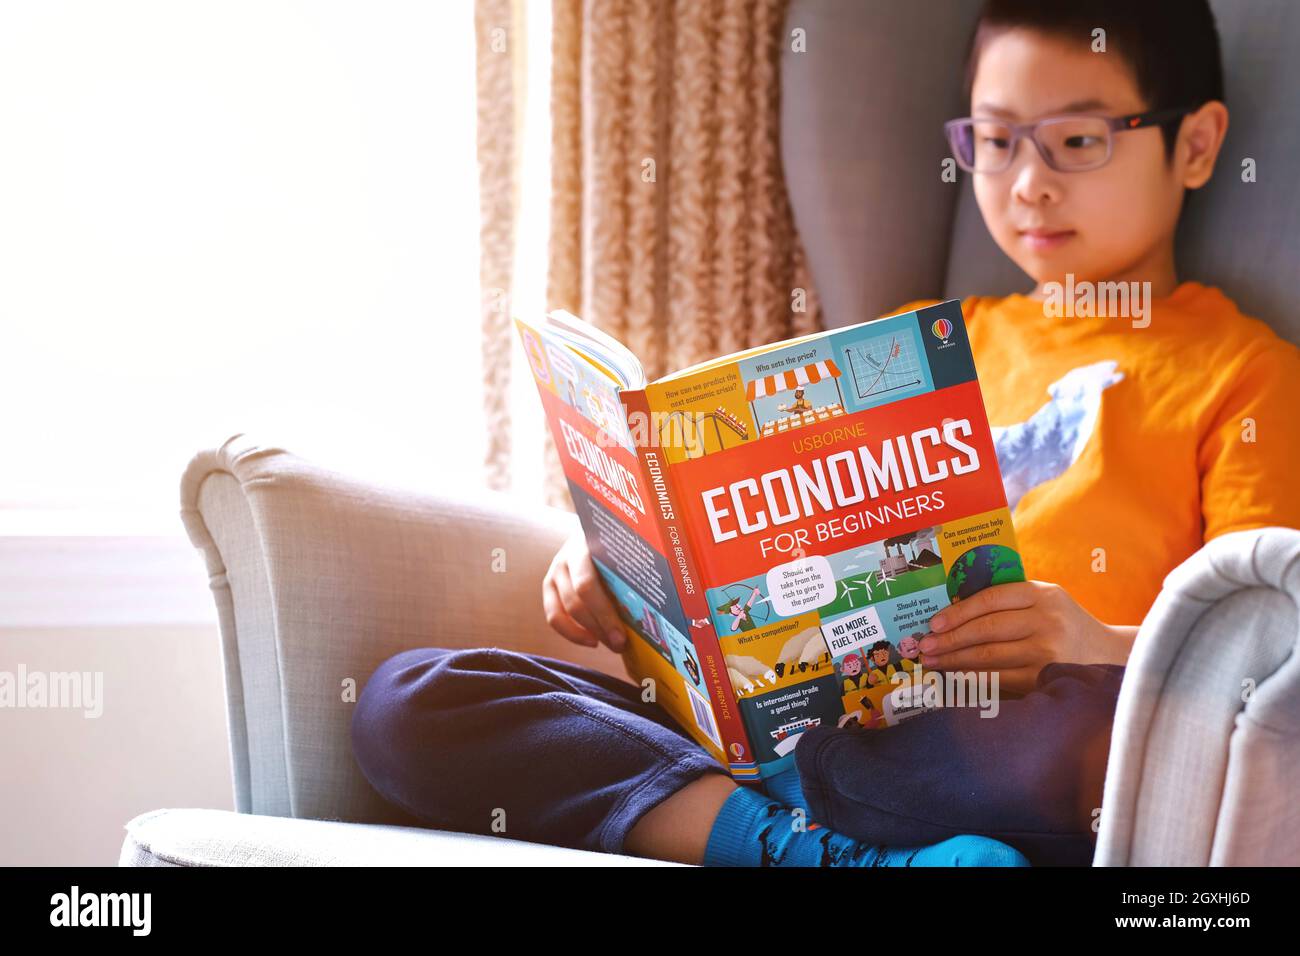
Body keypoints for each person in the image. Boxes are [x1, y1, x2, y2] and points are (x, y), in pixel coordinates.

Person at [351, 0, 1300, 867]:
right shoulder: (929, 342)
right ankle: (803, 847)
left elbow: (1262, 660)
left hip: (1009, 739)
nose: (1028, 185)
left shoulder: (1241, 371)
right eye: (997, 142)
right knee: (408, 701)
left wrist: (1096, 643)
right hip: (815, 723)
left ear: (1198, 144)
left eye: (1077, 141)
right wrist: (628, 558)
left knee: (1087, 739)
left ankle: (767, 825)